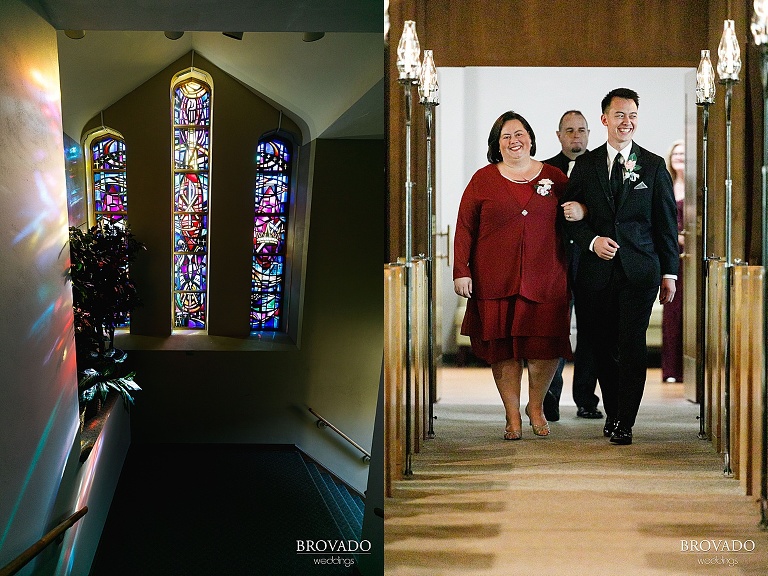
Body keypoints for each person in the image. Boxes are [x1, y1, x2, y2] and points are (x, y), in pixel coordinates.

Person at [453, 110, 580, 440]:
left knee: (545, 348)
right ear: (497, 144)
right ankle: (512, 414)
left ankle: (535, 406)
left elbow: (581, 212)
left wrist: (581, 210)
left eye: (520, 133)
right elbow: (465, 228)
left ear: (531, 139)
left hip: (547, 276)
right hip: (495, 278)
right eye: (506, 136)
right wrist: (461, 271)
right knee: (504, 350)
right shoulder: (483, 178)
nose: (514, 140)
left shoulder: (554, 176)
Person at [562, 88, 679, 445]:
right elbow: (568, 215)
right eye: (619, 115)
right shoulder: (586, 165)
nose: (626, 122)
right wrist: (592, 241)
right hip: (596, 274)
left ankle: (624, 420)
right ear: (605, 120)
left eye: (632, 116)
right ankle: (613, 412)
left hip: (639, 271)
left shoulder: (654, 164)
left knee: (631, 345)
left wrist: (669, 272)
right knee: (601, 347)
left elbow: (665, 223)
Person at [542, 110, 603, 422]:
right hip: (555, 261)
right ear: (559, 135)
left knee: (591, 331)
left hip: (592, 260)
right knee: (553, 329)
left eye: (581, 130)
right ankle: (549, 396)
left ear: (589, 133)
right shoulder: (545, 169)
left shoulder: (601, 166)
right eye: (569, 130)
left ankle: (586, 399)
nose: (576, 135)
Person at [661, 140, 685, 383]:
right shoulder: (665, 182)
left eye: (684, 153)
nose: (679, 157)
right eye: (676, 152)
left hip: (693, 257)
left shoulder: (699, 185)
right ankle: (671, 370)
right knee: (673, 312)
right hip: (672, 255)